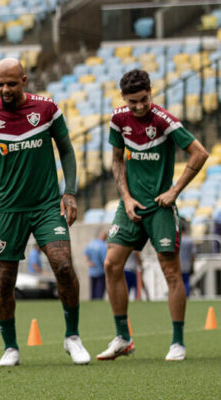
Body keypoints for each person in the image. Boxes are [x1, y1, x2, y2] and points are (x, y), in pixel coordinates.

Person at [0, 58, 90, 366]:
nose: (5, 89)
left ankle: (72, 336)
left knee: (63, 266)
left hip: (47, 205)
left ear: (24, 80)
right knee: (4, 280)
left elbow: (66, 149)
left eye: (11, 83)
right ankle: (10, 347)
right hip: (9, 209)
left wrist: (70, 192)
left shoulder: (47, 109)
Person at [96, 69, 208, 362]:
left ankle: (177, 342)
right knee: (111, 264)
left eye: (143, 99)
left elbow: (200, 153)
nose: (138, 106)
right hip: (131, 205)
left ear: (151, 92)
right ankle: (122, 338)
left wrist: (174, 191)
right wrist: (126, 198)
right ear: (123, 98)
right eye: (132, 101)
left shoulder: (165, 121)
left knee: (170, 271)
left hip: (160, 206)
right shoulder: (119, 119)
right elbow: (117, 161)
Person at [84, 230, 107, 299]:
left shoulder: (91, 244)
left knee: (93, 291)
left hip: (92, 271)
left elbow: (85, 255)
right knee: (99, 293)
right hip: (101, 271)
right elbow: (105, 260)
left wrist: (89, 262)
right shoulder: (103, 246)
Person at [179, 219, 195, 297]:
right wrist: (192, 264)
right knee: (186, 282)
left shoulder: (177, 240)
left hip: (178, 265)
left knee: (178, 282)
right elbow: (193, 254)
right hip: (187, 264)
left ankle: (180, 297)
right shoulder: (189, 240)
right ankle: (186, 296)